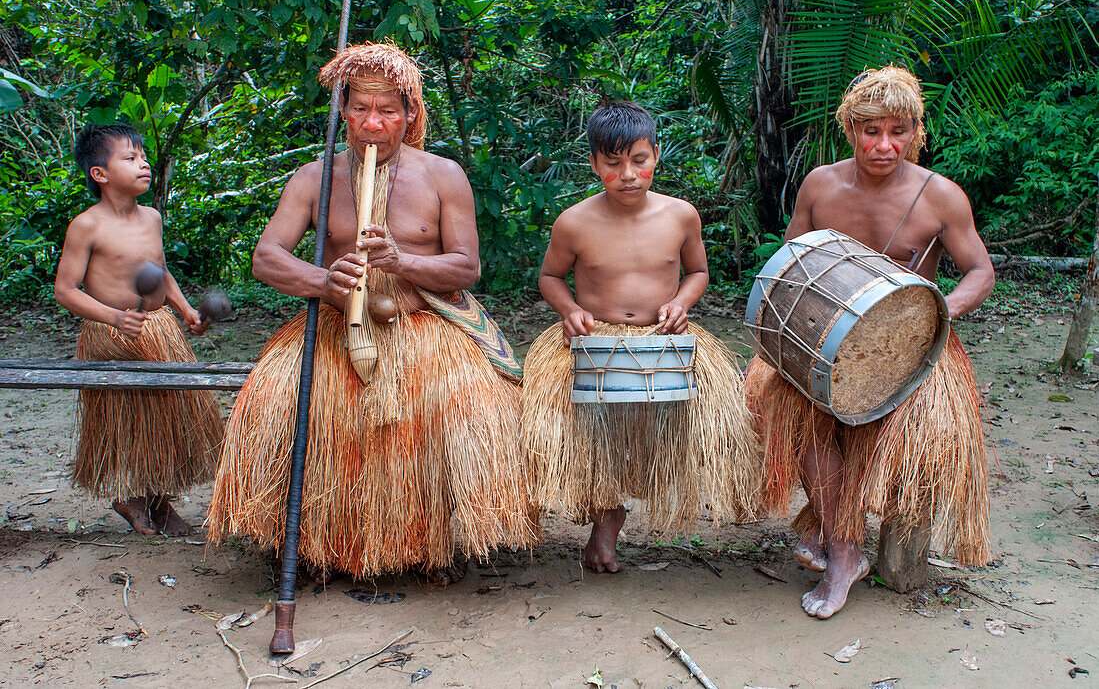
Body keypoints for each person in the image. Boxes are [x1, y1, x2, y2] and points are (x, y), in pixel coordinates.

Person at [206, 42, 536, 585]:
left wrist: (401, 261)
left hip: (424, 323)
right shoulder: (315, 178)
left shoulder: (442, 175)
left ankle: (433, 545)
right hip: (339, 324)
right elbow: (266, 258)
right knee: (284, 401)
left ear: (410, 115)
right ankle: (316, 543)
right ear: (344, 112)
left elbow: (466, 268)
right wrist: (324, 282)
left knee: (457, 406)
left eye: (387, 111)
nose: (372, 123)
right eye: (360, 109)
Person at [745, 65, 995, 619]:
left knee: (908, 426)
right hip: (822, 344)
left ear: (917, 131)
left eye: (899, 131)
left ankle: (844, 537)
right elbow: (789, 266)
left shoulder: (941, 197)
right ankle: (843, 547)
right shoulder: (821, 185)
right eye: (870, 130)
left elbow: (980, 269)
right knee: (785, 406)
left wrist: (936, 314)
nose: (884, 145)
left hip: (912, 353)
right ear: (849, 128)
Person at [521, 101, 760, 573]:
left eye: (639, 160)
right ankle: (603, 528)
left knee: (654, 433)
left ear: (656, 157)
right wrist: (570, 310)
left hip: (663, 337)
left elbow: (698, 271)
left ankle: (630, 521)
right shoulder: (574, 222)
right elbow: (550, 277)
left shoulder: (681, 216)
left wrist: (682, 303)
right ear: (594, 164)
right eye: (612, 163)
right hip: (595, 339)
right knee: (597, 436)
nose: (628, 174)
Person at [54, 124, 223, 536]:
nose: (143, 163)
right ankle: (132, 497)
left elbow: (161, 272)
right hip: (113, 335)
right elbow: (64, 290)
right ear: (100, 174)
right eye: (129, 158)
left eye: (143, 156)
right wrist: (113, 318)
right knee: (128, 414)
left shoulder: (152, 218)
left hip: (158, 329)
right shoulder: (87, 225)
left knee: (167, 414)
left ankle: (159, 501)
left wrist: (186, 312)